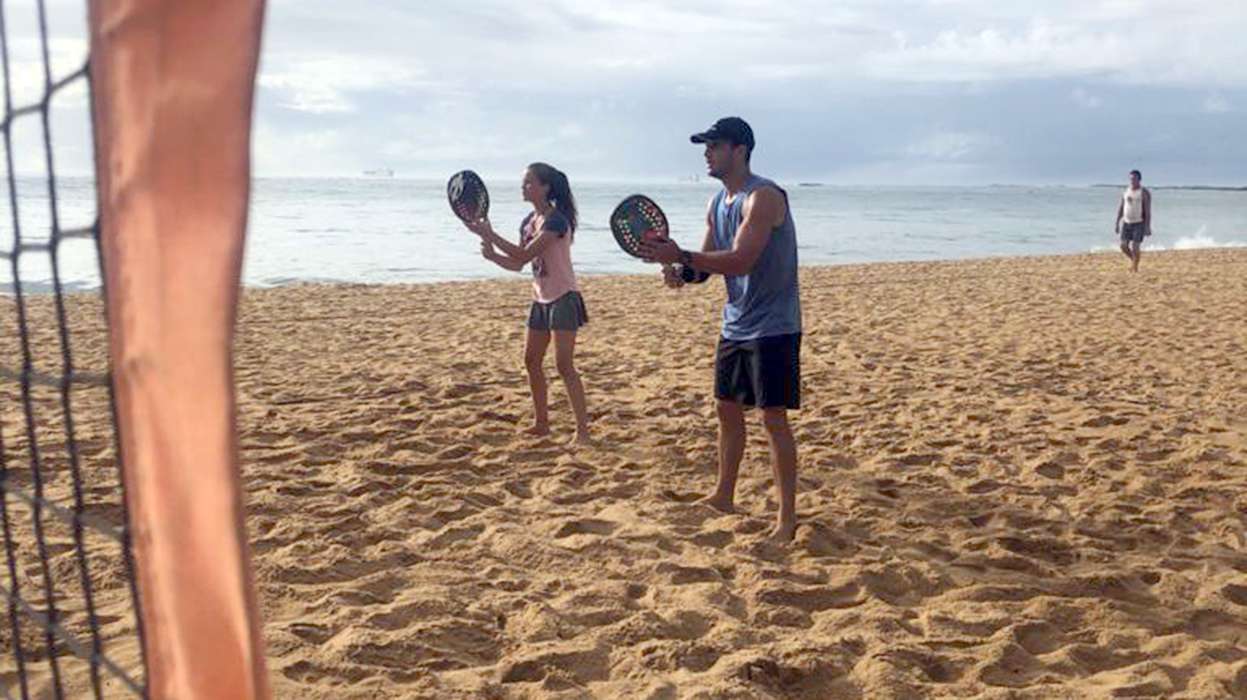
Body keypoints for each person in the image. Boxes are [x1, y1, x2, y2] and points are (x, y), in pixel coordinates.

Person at [638, 117, 803, 542]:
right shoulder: (718, 202)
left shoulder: (762, 197)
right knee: (725, 410)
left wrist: (684, 254)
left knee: (772, 419)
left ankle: (786, 520)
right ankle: (723, 494)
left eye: (714, 146)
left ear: (740, 150)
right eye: (705, 147)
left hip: (774, 325)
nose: (707, 153)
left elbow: (742, 260)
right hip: (736, 322)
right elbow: (706, 264)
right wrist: (678, 270)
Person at [464, 163, 592, 446]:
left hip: (563, 297)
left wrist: (491, 235)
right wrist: (492, 255)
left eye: (528, 183)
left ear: (545, 187)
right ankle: (542, 424)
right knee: (531, 361)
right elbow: (518, 265)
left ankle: (582, 432)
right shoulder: (528, 221)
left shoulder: (556, 221)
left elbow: (523, 255)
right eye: (523, 183)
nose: (523, 187)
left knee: (564, 366)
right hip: (540, 298)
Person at [1115, 169, 1152, 273]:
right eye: (1131, 179)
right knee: (1123, 246)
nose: (1132, 181)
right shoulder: (1126, 191)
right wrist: (1117, 222)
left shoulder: (1144, 192)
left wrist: (1147, 226)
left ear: (1139, 179)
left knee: (1135, 247)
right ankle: (1134, 261)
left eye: (1134, 179)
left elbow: (1148, 211)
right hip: (1126, 222)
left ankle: (1135, 267)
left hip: (1139, 223)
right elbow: (1121, 207)